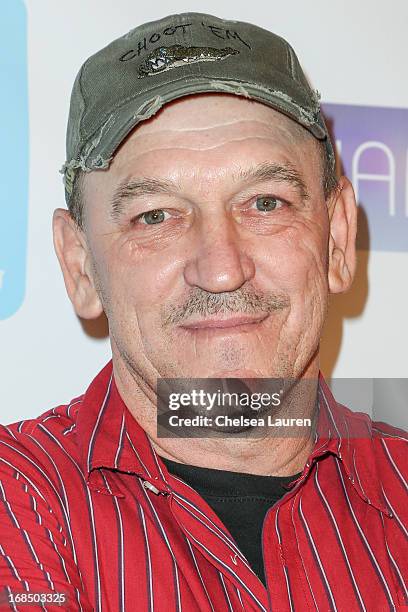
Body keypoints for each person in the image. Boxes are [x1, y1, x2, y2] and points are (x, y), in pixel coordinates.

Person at [0, 12, 406, 611]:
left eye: (265, 203)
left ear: (338, 239)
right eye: (156, 216)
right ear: (81, 265)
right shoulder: (17, 500)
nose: (221, 268)